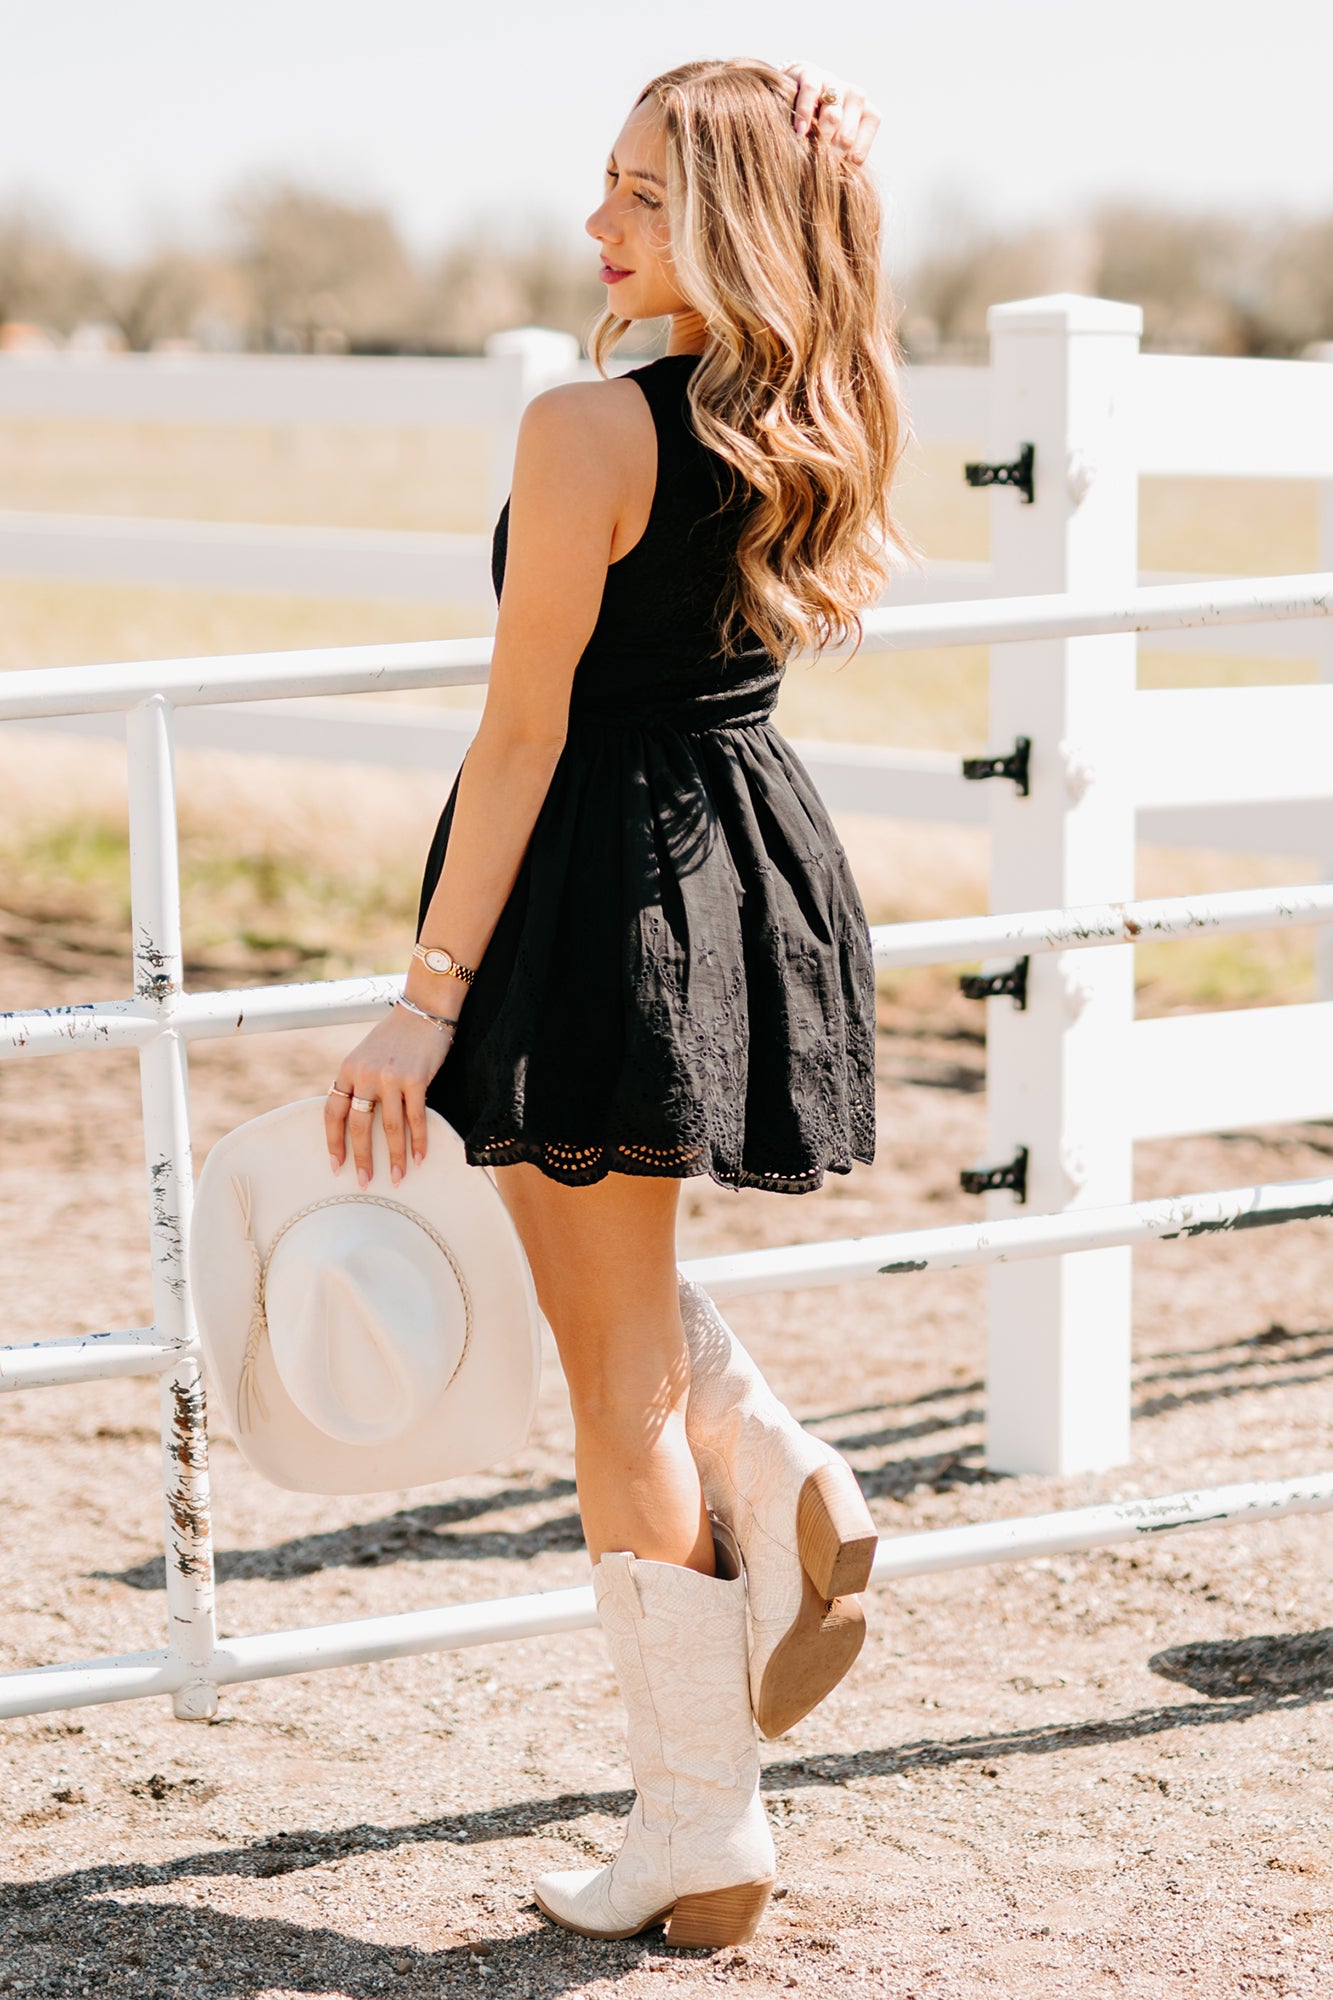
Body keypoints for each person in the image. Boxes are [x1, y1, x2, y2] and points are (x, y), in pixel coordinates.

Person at [327, 56, 909, 1949]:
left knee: (613, 1381)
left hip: (595, 883)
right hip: (739, 859)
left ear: (739, 223)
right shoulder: (820, 412)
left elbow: (522, 731)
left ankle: (697, 1821)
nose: (598, 225)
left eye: (645, 196)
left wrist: (423, 998)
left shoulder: (587, 427)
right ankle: (785, 1475)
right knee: (612, 1298)